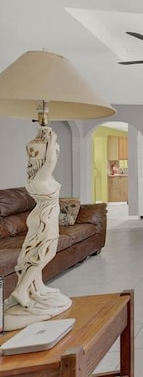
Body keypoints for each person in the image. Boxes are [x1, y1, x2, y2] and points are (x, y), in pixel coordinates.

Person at [7, 127, 70, 311]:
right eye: (55, 152)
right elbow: (50, 160)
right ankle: (21, 290)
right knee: (44, 253)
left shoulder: (32, 178)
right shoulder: (43, 177)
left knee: (32, 254)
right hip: (46, 218)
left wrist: (41, 136)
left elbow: (48, 159)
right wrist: (51, 137)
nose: (56, 156)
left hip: (37, 216)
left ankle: (36, 288)